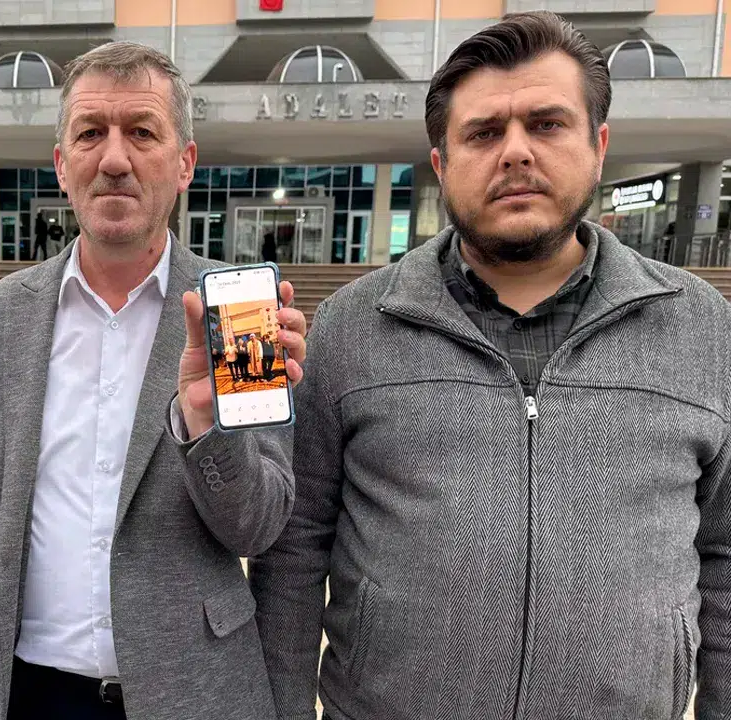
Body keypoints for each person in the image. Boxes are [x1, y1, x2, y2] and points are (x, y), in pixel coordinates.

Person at [252, 11, 731, 720]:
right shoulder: (354, 325)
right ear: (442, 163)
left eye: (547, 124)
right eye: (483, 132)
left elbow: (725, 556)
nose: (515, 152)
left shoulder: (701, 326)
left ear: (599, 146)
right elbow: (294, 554)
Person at [0, 41, 308, 720]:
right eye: (91, 133)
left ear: (185, 162)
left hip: (194, 696)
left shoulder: (241, 314)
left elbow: (260, 529)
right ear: (61, 163)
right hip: (29, 695)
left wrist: (206, 427)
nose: (115, 159)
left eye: (143, 133)